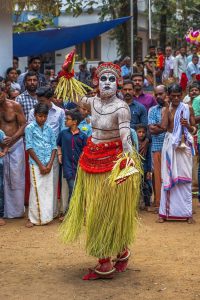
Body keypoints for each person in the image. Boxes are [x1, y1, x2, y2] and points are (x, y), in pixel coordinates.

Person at [59, 62, 141, 280]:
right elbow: (73, 94)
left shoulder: (122, 108)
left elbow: (125, 135)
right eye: (103, 79)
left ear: (118, 83)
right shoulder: (91, 102)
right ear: (96, 82)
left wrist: (128, 159)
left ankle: (106, 262)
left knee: (106, 212)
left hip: (113, 165)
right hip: (90, 161)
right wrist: (67, 75)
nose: (107, 83)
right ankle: (121, 252)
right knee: (93, 210)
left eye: (111, 79)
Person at [158, 84, 196, 223]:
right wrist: (167, 110)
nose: (175, 98)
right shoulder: (166, 109)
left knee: (185, 178)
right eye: (172, 95)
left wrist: (186, 125)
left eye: (178, 95)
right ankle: (164, 214)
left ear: (182, 94)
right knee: (168, 176)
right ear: (168, 95)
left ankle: (187, 214)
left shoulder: (188, 108)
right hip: (170, 145)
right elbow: (163, 127)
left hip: (184, 145)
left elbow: (194, 130)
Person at [28, 87, 65, 218]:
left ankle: (52, 212)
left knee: (52, 184)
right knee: (37, 184)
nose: (40, 103)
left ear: (50, 99)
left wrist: (59, 152)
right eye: (38, 100)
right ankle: (38, 214)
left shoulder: (60, 112)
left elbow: (62, 132)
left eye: (42, 100)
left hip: (53, 153)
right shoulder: (33, 111)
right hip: (37, 153)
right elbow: (30, 135)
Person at [25, 103, 57, 227]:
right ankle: (33, 218)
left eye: (44, 116)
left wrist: (49, 165)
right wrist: (41, 165)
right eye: (39, 116)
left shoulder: (49, 128)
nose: (42, 119)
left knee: (47, 190)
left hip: (48, 163)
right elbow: (29, 147)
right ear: (35, 115)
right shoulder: (30, 128)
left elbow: (54, 147)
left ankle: (46, 217)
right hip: (36, 163)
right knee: (36, 189)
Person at [0, 83, 26, 218]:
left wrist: (12, 138)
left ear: (5, 92)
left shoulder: (14, 106)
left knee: (16, 178)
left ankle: (16, 211)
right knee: (1, 180)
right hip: (0, 148)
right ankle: (2, 211)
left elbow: (23, 124)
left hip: (15, 146)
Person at [16, 71, 38, 206]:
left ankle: (36, 198)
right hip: (24, 140)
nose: (32, 83)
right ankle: (26, 200)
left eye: (34, 80)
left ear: (38, 82)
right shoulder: (19, 99)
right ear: (25, 83)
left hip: (41, 140)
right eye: (29, 80)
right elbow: (19, 123)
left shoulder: (41, 98)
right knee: (26, 171)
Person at [57, 109, 87, 207]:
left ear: (74, 122)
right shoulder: (63, 133)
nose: (65, 121)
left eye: (67, 119)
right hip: (67, 165)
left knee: (77, 189)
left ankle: (72, 212)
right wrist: (59, 155)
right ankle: (69, 213)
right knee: (72, 188)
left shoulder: (83, 136)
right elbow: (58, 145)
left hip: (79, 166)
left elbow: (85, 151)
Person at [148, 85, 167, 209]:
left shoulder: (172, 108)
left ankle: (170, 204)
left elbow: (172, 128)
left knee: (169, 175)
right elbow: (152, 130)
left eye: (161, 94)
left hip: (171, 147)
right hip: (157, 146)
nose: (158, 96)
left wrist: (159, 126)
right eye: (156, 94)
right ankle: (159, 203)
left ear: (166, 94)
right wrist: (165, 127)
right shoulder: (152, 110)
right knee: (158, 176)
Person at [136, 124, 152, 209]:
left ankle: (147, 204)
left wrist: (149, 171)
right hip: (135, 169)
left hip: (145, 169)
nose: (141, 134)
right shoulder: (134, 143)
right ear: (136, 133)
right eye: (139, 132)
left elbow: (149, 157)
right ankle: (137, 204)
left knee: (146, 186)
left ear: (146, 133)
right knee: (136, 186)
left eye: (143, 132)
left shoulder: (147, 145)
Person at [0, 129, 8, 226]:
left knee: (0, 190)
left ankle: (0, 215)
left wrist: (3, 152)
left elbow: (6, 145)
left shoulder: (0, 132)